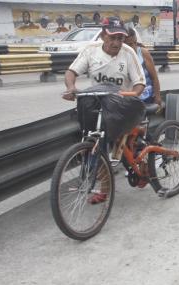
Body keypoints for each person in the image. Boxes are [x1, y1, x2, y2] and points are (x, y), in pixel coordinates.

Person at [63, 17, 146, 204]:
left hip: (121, 102)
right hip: (97, 101)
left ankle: (140, 155)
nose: (116, 42)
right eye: (112, 37)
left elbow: (139, 83)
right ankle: (104, 188)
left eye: (120, 38)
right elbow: (71, 72)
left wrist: (131, 94)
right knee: (95, 144)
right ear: (102, 35)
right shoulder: (90, 51)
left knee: (123, 147)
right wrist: (71, 87)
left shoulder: (128, 53)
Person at [124, 27, 162, 106]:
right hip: (127, 99)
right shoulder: (119, 56)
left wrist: (157, 97)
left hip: (146, 97)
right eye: (130, 44)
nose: (133, 46)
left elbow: (154, 77)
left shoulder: (143, 53)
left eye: (135, 43)